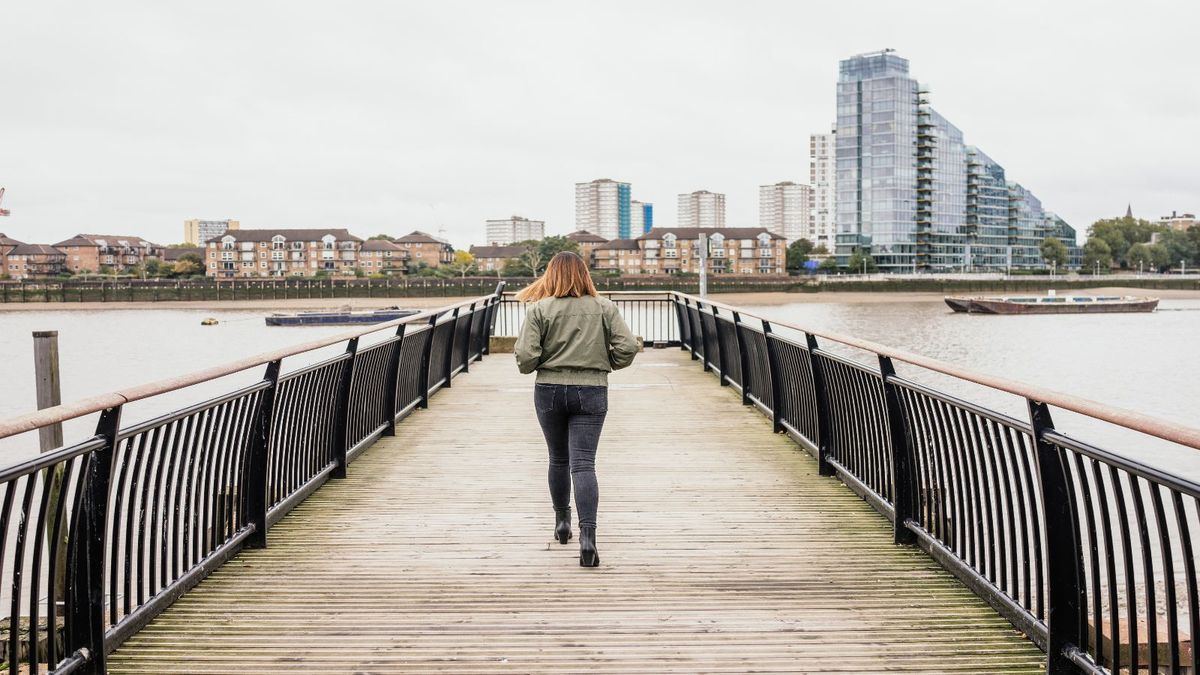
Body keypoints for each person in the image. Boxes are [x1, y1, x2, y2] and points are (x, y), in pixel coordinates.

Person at [514, 252, 639, 567]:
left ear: (551, 276)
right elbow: (627, 347)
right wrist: (601, 364)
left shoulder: (539, 310)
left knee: (558, 459)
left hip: (549, 391)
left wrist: (546, 361)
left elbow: (526, 359)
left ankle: (562, 523)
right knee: (583, 465)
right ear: (585, 275)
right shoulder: (604, 308)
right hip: (592, 390)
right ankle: (588, 538)